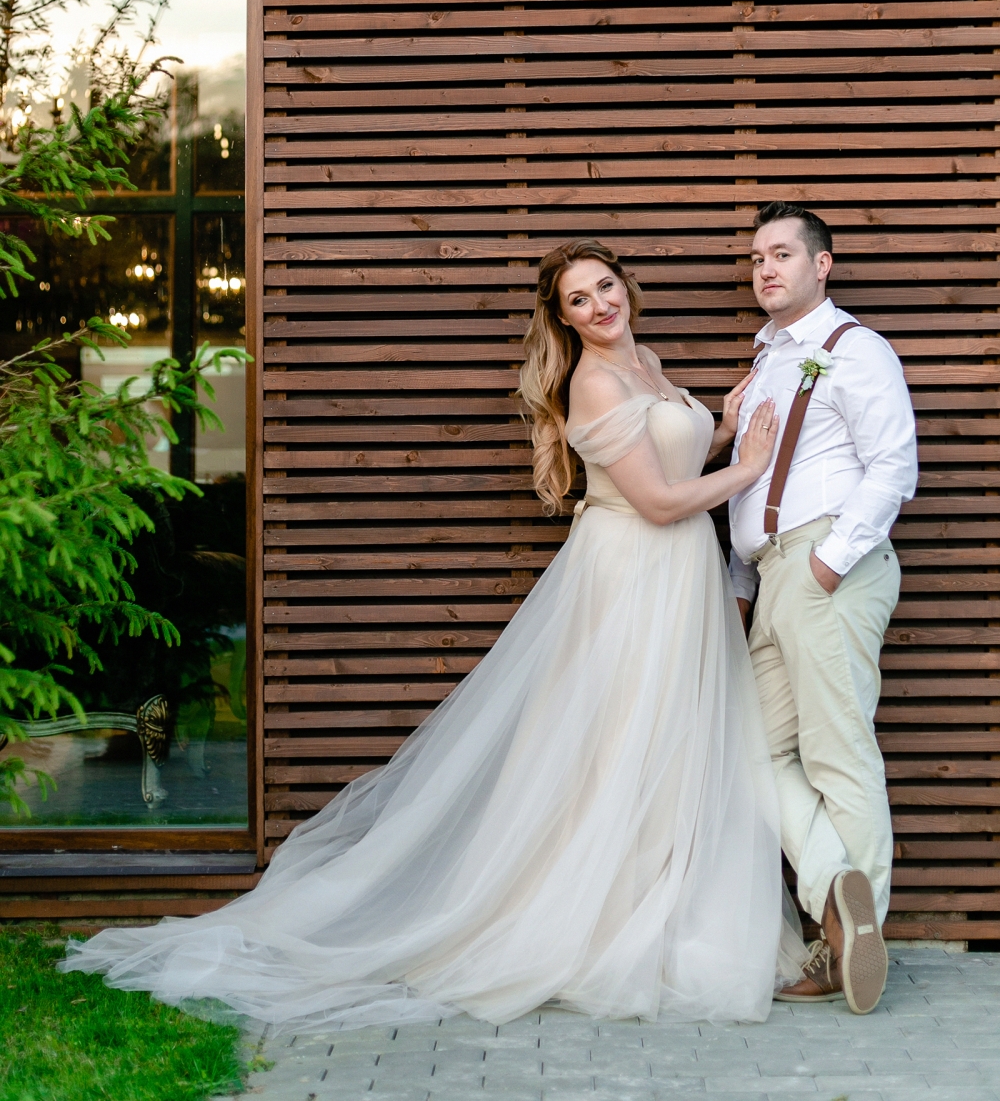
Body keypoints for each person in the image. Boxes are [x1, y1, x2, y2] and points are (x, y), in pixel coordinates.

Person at [62, 238, 805, 1032]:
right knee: (618, 743)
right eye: (578, 300)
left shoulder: (647, 362)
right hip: (632, 577)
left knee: (670, 739)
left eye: (604, 286)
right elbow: (655, 504)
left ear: (626, 286)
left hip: (679, 576)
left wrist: (721, 431)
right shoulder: (592, 381)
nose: (599, 306)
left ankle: (660, 910)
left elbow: (667, 466)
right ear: (562, 319)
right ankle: (595, 923)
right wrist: (750, 466)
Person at [728, 202, 917, 1016]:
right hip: (773, 576)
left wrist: (829, 563)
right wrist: (745, 586)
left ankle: (840, 947)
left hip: (825, 567)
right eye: (756, 258)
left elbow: (893, 464)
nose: (765, 269)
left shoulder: (855, 348)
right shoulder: (767, 360)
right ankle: (838, 893)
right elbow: (749, 483)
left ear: (821, 264)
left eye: (782, 254)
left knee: (838, 753)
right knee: (753, 754)